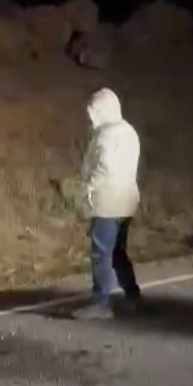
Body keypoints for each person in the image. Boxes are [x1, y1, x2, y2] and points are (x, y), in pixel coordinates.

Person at [73, 87, 142, 320]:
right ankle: (133, 296)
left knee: (101, 253)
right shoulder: (129, 131)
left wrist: (88, 187)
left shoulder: (107, 135)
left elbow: (105, 167)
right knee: (118, 252)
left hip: (108, 202)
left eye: (93, 111)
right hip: (127, 201)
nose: (90, 117)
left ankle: (101, 303)